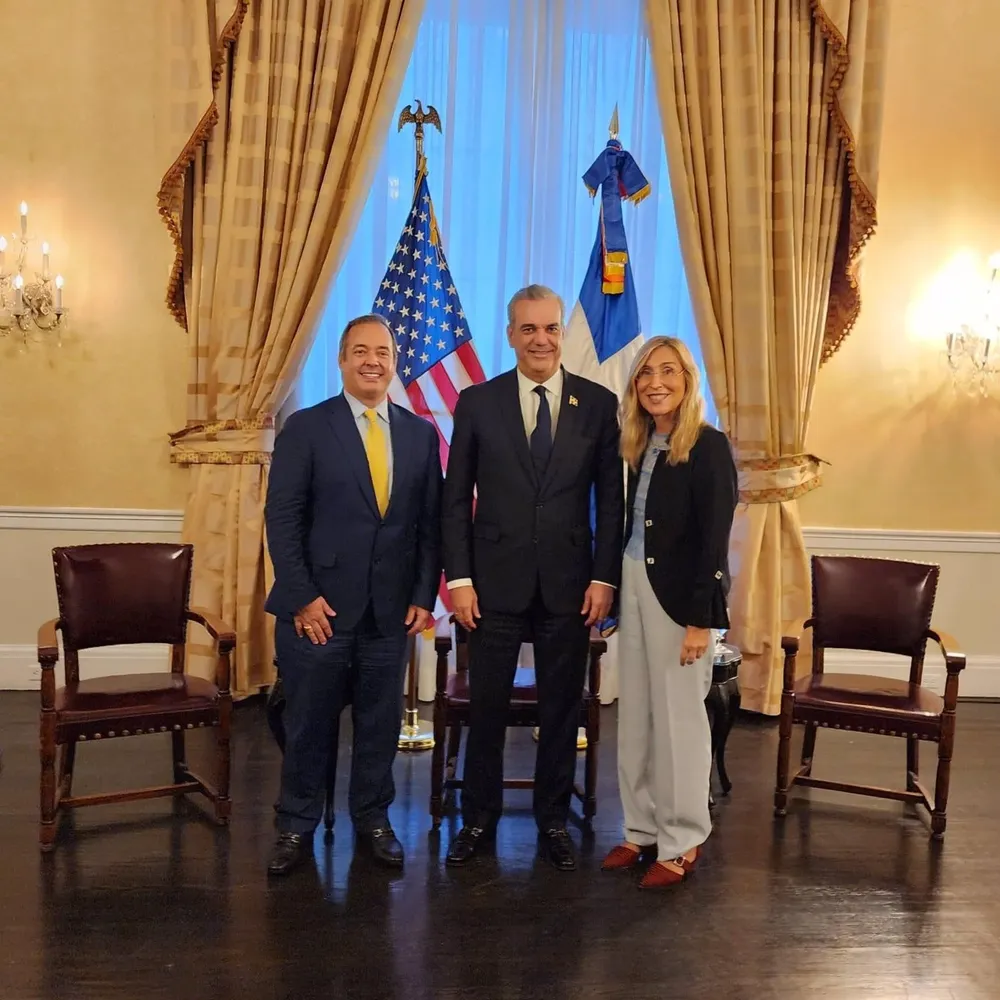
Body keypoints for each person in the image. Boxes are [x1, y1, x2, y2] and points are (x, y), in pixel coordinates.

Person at [441, 284, 624, 871]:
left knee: (560, 711)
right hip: (491, 584)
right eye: (528, 329)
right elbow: (453, 499)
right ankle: (477, 818)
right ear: (511, 334)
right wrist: (460, 579)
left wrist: (604, 579)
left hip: (571, 587)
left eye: (550, 328)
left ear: (561, 334)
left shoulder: (597, 404)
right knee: (487, 707)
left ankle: (552, 818)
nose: (541, 339)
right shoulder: (476, 401)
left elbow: (611, 503)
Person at [263, 313, 442, 876]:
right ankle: (295, 825)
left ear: (395, 361)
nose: (373, 361)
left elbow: (428, 526)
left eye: (383, 352)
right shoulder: (308, 428)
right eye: (360, 351)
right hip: (317, 612)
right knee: (308, 724)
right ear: (341, 360)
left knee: (379, 726)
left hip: (390, 614)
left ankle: (373, 819)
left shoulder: (420, 433)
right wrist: (301, 598)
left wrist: (421, 594)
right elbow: (282, 519)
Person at [600, 335, 737, 889]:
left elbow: (714, 540)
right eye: (645, 373)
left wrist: (702, 620)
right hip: (632, 585)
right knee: (635, 716)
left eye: (669, 372)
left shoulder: (708, 446)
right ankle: (640, 829)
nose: (656, 382)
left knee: (679, 722)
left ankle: (681, 840)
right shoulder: (633, 443)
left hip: (680, 601)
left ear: (687, 380)